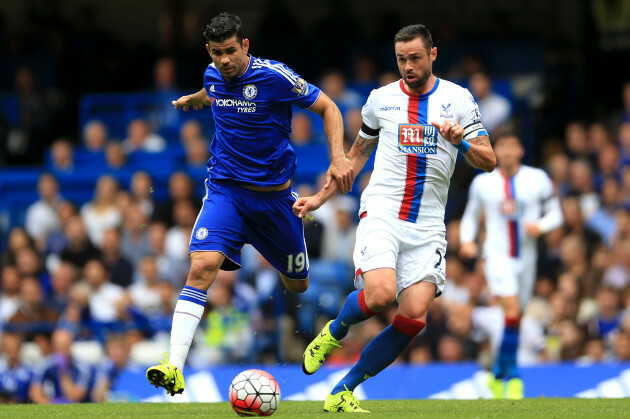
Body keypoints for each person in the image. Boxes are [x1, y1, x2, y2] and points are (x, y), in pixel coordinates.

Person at [146, 12, 353, 396]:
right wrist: (196, 98)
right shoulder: (212, 75)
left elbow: (329, 107)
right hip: (226, 191)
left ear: (245, 46)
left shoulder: (275, 77)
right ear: (209, 51)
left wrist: (338, 158)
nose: (224, 60)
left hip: (275, 200)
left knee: (299, 284)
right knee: (202, 266)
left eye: (230, 51)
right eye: (217, 53)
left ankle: (277, 254)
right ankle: (174, 365)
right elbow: (215, 91)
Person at [293, 24, 496, 412]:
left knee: (414, 317)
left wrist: (461, 141)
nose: (407, 66)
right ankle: (334, 331)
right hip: (383, 211)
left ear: (433, 54)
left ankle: (343, 390)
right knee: (382, 294)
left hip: (428, 225)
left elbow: (489, 161)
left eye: (415, 58)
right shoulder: (380, 100)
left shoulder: (458, 99)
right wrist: (320, 198)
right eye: (401, 59)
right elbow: (355, 156)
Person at [459, 133, 563, 399]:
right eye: (500, 147)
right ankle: (514, 377)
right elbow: (470, 216)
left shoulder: (537, 179)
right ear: (495, 151)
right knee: (513, 312)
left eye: (510, 147)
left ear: (520, 150)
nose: (505, 152)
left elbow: (556, 214)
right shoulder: (483, 182)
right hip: (497, 256)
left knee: (514, 319)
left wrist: (540, 226)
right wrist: (468, 241)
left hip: (526, 258)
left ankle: (496, 375)